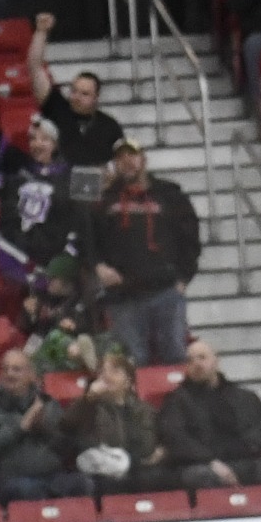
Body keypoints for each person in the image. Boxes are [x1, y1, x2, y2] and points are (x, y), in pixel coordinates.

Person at [84, 140, 200, 367]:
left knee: (175, 358)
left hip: (165, 292)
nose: (127, 162)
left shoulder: (170, 194)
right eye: (120, 158)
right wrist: (98, 266)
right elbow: (87, 239)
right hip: (122, 297)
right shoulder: (103, 200)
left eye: (132, 155)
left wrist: (184, 278)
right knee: (132, 364)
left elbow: (190, 238)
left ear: (143, 159)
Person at [158, 338, 261, 501]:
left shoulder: (245, 397)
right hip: (207, 466)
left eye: (202, 358)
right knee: (197, 476)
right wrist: (211, 462)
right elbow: (176, 439)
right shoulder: (177, 401)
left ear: (216, 361)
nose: (196, 364)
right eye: (190, 360)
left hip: (246, 464)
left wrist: (252, 448)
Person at [0, 87, 73, 290]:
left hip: (54, 263)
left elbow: (81, 218)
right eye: (33, 139)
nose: (38, 144)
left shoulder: (69, 175)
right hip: (12, 257)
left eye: (45, 139)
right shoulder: (18, 168)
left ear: (55, 144)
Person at [0, 347, 93, 502]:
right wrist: (19, 428)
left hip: (53, 476)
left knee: (83, 484)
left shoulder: (48, 403)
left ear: (31, 375)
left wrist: (44, 428)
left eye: (16, 369)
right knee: (29, 490)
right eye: (5, 369)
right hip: (9, 481)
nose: (10, 374)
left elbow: (66, 447)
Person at [62, 348, 171, 495]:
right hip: (106, 472)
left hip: (143, 468)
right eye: (102, 372)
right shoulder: (89, 406)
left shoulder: (145, 410)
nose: (107, 376)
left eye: (115, 371)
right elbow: (66, 425)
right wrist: (89, 398)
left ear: (128, 382)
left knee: (158, 478)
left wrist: (163, 451)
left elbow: (157, 441)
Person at [28, 13, 125, 168]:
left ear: (96, 97)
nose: (77, 97)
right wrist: (41, 32)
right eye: (74, 91)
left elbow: (119, 163)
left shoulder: (110, 126)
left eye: (84, 94)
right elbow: (35, 67)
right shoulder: (56, 108)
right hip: (57, 181)